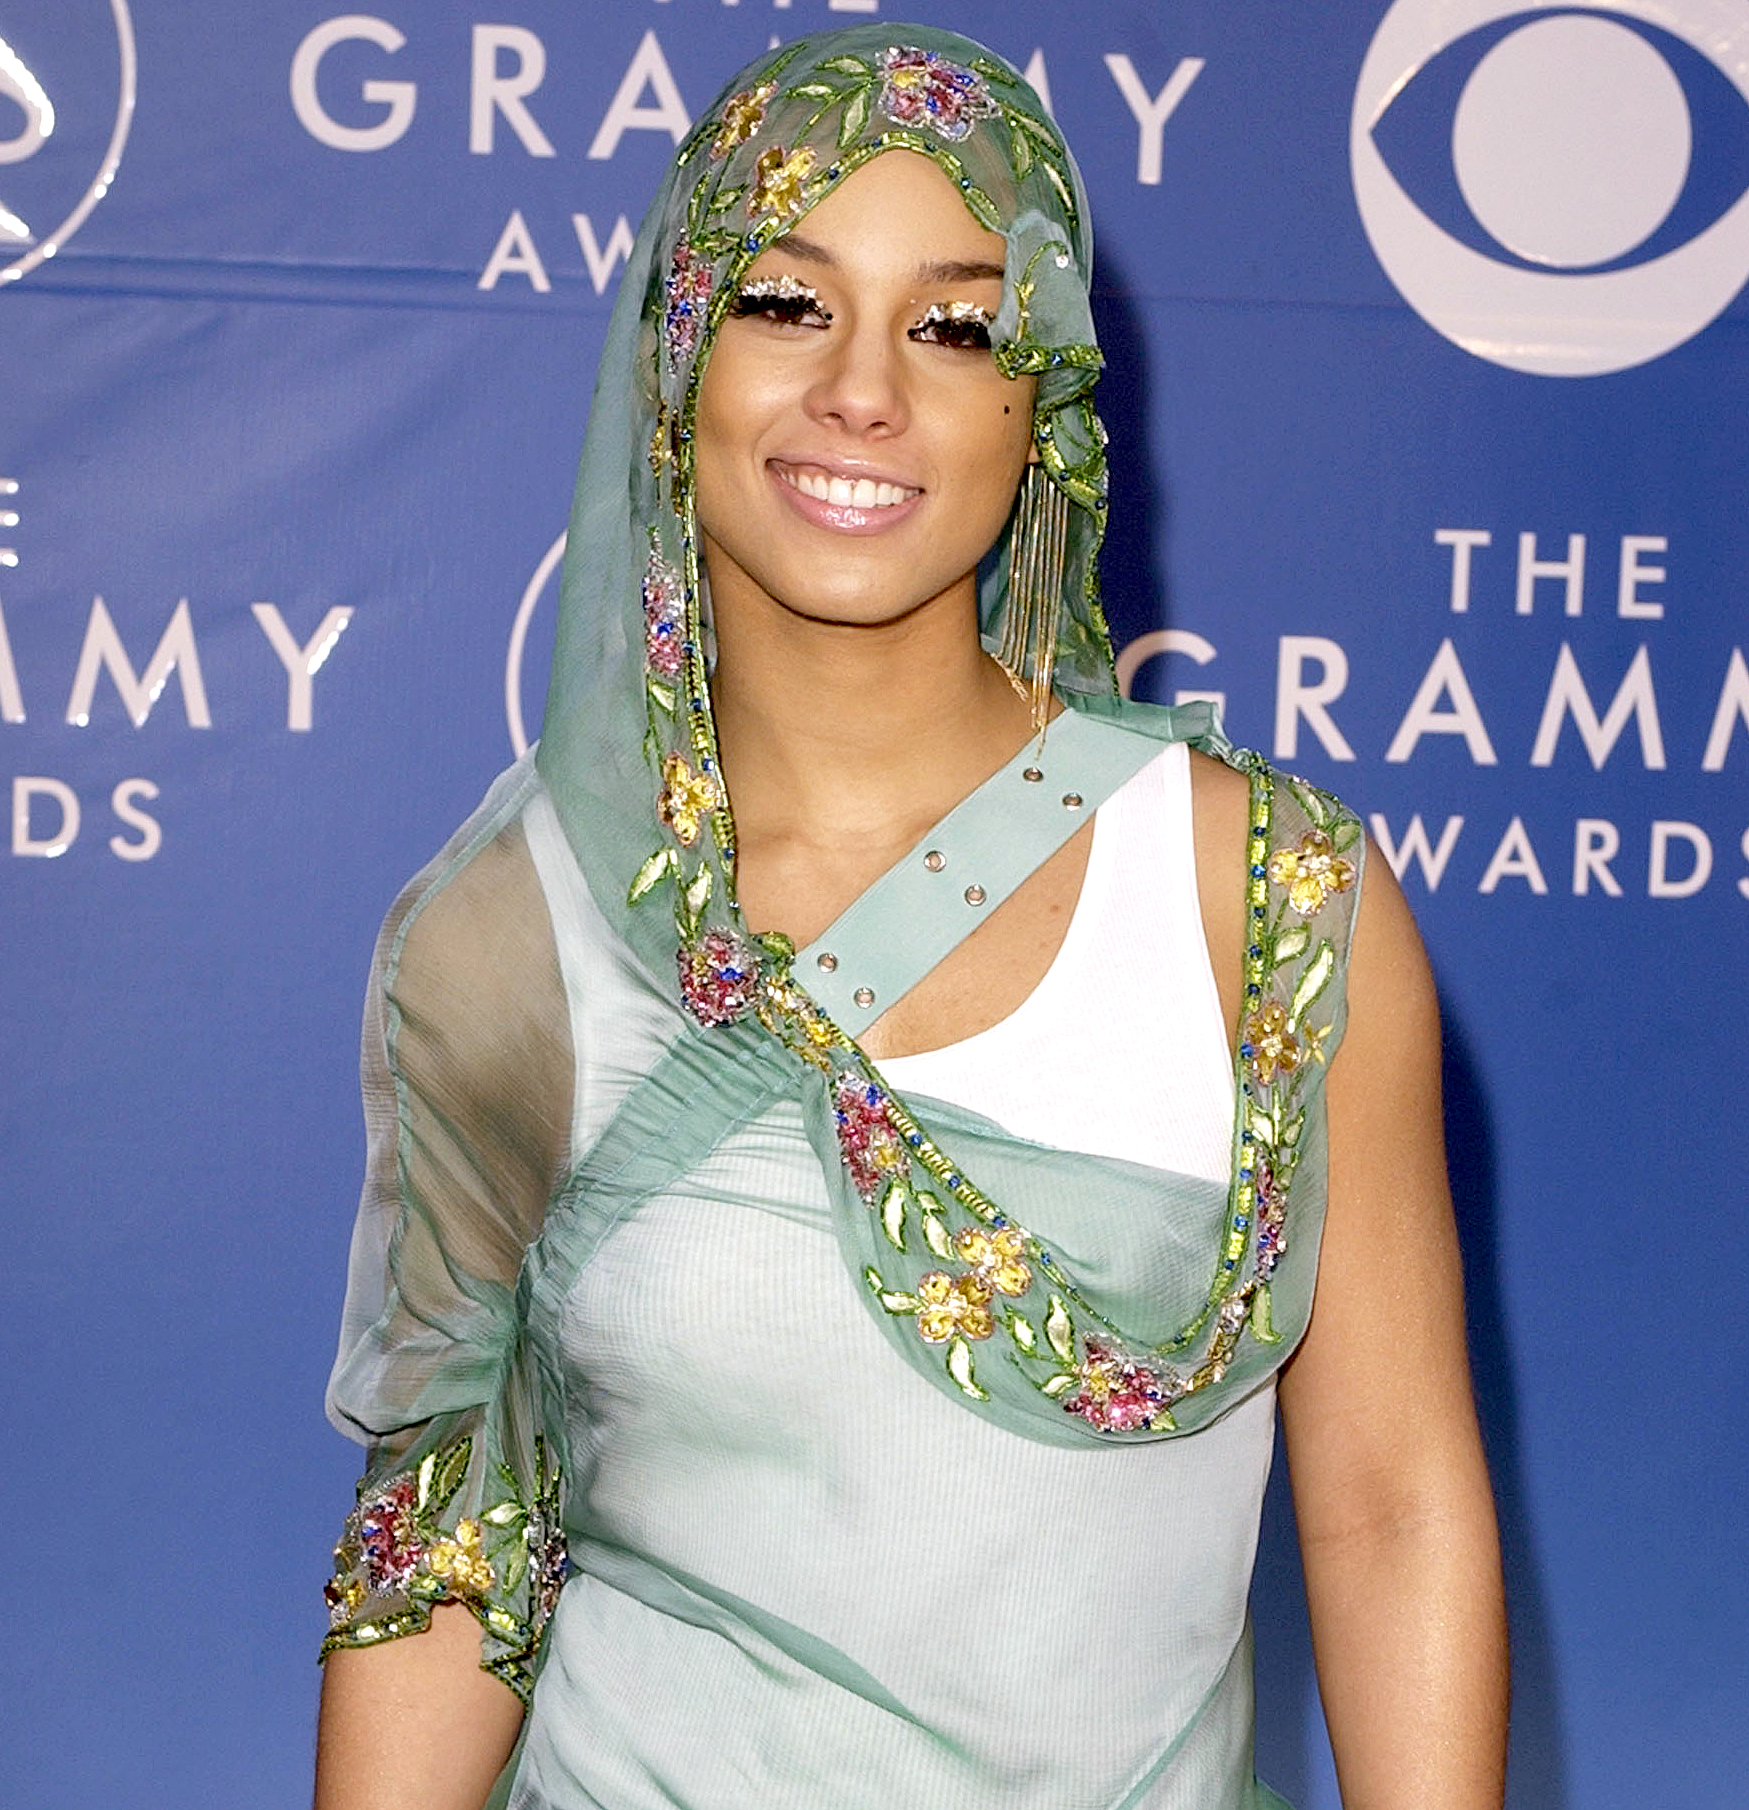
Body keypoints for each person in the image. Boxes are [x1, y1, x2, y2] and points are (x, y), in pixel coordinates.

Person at [313, 24, 1507, 1810]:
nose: (862, 391)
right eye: (784, 303)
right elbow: (445, 1544)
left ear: (1041, 399)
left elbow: (1394, 1505)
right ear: (675, 351)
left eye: (954, 325)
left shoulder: (1262, 897)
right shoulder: (508, 930)